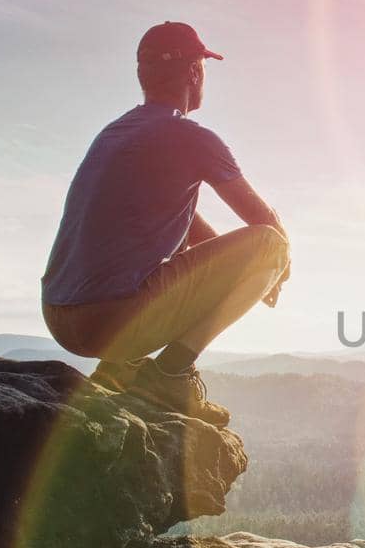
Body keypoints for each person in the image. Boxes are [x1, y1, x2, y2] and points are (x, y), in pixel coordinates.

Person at [40, 21, 290, 425]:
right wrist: (271, 268)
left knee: (247, 252)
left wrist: (235, 274)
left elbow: (189, 229)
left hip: (59, 315)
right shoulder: (191, 137)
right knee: (271, 246)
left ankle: (120, 370)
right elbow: (267, 226)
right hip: (109, 321)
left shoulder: (116, 133)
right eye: (204, 67)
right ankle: (171, 374)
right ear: (194, 72)